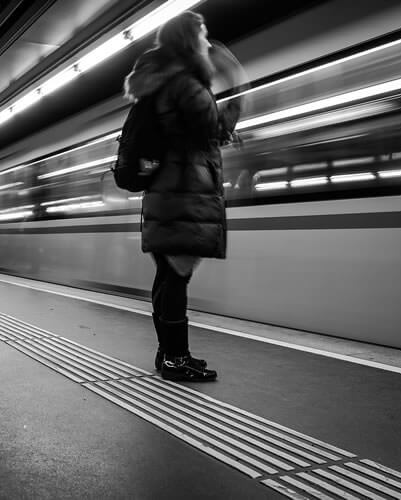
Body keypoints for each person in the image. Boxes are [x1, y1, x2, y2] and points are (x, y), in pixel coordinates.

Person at [123, 11, 244, 381]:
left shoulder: (161, 82)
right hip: (185, 195)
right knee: (175, 279)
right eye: (203, 35)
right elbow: (214, 127)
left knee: (168, 276)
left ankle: (169, 353)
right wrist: (236, 81)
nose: (208, 43)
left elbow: (193, 133)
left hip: (166, 195)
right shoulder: (186, 83)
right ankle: (176, 358)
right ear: (191, 40)